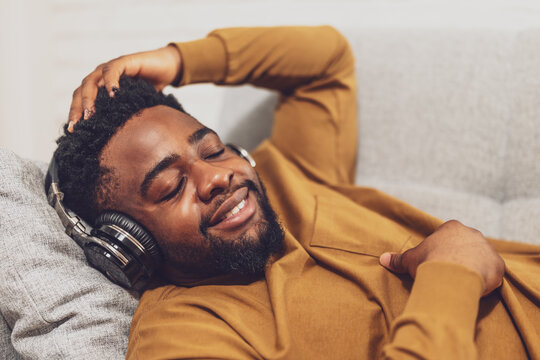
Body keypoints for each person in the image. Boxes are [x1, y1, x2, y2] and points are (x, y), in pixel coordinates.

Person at [59, 26, 540, 359]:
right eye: (171, 187)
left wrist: (179, 60)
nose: (216, 178)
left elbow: (327, 60)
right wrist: (452, 276)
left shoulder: (287, 179)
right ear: (126, 243)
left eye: (212, 150)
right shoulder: (183, 336)